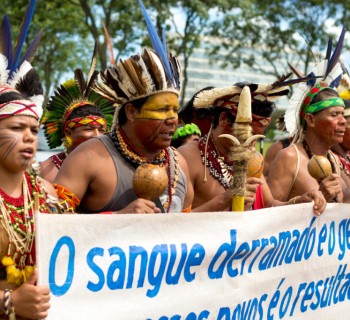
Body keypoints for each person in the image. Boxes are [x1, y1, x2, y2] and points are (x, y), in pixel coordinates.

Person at [54, 2, 196, 214]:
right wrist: (118, 218)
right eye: (161, 110)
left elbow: (189, 231)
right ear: (131, 112)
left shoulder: (179, 164)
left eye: (174, 110)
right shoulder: (89, 157)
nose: (172, 119)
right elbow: (51, 227)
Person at [178, 82, 326, 213]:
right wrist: (225, 200)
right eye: (249, 135)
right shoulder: (187, 157)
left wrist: (298, 202)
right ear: (224, 119)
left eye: (255, 139)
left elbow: (268, 205)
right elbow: (174, 224)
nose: (251, 146)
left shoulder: (251, 159)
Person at [0, 1, 61, 318]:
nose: (29, 137)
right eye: (16, 128)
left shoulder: (47, 194)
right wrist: (8, 303)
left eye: (34, 129)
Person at [267, 29, 346, 204]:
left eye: (343, 115)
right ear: (310, 120)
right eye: (335, 115)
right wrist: (302, 203)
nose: (343, 121)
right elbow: (266, 213)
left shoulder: (333, 160)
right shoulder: (289, 157)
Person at [40, 44, 115, 183]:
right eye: (88, 128)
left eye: (102, 130)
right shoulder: (47, 171)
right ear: (68, 133)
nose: (98, 136)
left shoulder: (112, 167)